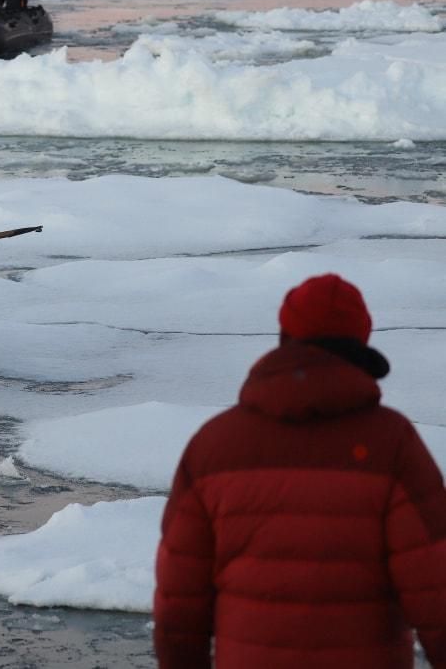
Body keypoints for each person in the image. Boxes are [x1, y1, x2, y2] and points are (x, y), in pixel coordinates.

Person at [154, 274, 446, 669]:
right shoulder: (392, 443)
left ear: (284, 336)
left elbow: (179, 602)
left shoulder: (214, 445)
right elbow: (435, 586)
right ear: (360, 341)